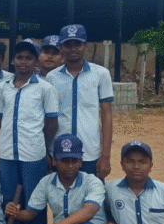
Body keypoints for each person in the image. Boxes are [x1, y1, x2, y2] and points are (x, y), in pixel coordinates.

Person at [0, 39, 59, 224]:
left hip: (34, 155)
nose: (23, 62)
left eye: (29, 57)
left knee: (35, 203)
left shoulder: (45, 88)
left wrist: (45, 147)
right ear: (13, 60)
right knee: (9, 201)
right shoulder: (3, 87)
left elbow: (51, 123)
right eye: (19, 57)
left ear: (36, 60)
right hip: (7, 154)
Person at [6, 134, 106, 224]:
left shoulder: (92, 181)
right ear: (54, 161)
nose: (70, 165)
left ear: (81, 161)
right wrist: (15, 213)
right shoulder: (46, 182)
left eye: (74, 160)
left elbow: (88, 212)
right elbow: (30, 214)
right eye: (65, 160)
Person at [46, 24, 114, 179]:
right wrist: (46, 150)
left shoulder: (101, 74)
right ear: (61, 48)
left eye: (77, 44)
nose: (73, 49)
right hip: (59, 150)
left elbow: (106, 115)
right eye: (68, 45)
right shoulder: (52, 77)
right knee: (61, 196)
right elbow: (48, 117)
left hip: (89, 151)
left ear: (85, 46)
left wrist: (105, 156)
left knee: (92, 197)